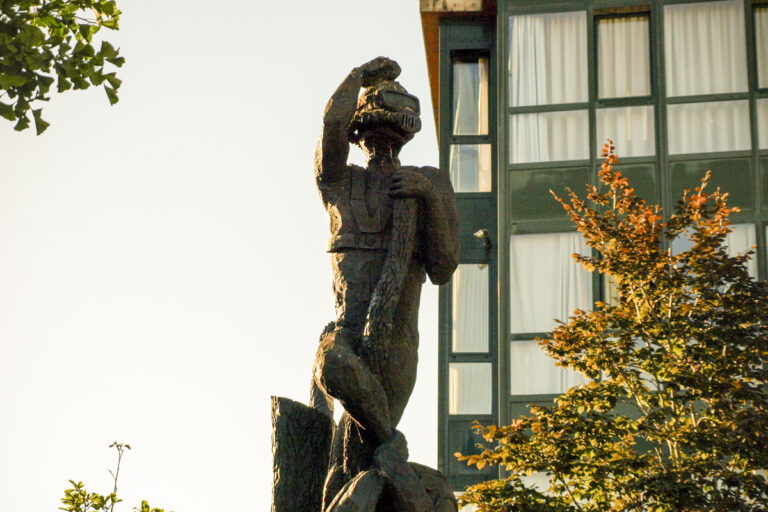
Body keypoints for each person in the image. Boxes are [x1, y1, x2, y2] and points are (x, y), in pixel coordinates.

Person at [312, 57, 459, 511]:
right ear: (357, 132)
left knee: (354, 462)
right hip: (348, 332)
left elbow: (444, 267)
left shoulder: (428, 181)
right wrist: (360, 76)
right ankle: (394, 452)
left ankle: (395, 481)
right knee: (331, 367)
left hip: (397, 344)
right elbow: (330, 126)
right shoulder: (340, 184)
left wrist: (428, 198)